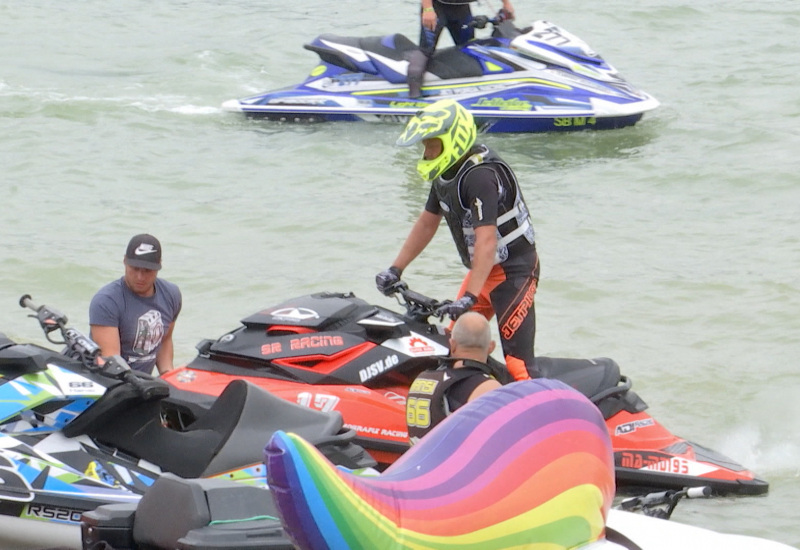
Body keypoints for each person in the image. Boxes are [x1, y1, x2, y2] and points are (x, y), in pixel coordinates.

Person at [376, 99, 539, 382]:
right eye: (424, 145)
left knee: (518, 366)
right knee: (455, 347)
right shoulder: (445, 172)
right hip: (483, 273)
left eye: (432, 144)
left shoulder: (479, 176)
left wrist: (468, 297)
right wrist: (395, 269)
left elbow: (487, 241)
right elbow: (427, 222)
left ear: (453, 138)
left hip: (514, 274)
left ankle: (543, 417)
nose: (427, 152)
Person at [89, 234, 182, 375]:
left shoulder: (171, 294)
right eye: (135, 268)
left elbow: (164, 340)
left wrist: (168, 375)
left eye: (147, 271)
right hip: (112, 381)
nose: (140, 277)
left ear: (159, 266)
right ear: (125, 261)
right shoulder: (106, 301)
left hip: (145, 383)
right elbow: (111, 361)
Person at [406, 311, 502, 442]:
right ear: (491, 347)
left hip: (414, 460)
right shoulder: (488, 388)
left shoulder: (422, 379)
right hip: (455, 461)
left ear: (452, 344)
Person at [408, 0, 516, 98]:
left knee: (469, 47)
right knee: (425, 50)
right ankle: (414, 95)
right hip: (436, 9)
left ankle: (472, 93)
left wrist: (506, 3)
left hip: (461, 9)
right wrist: (427, 8)